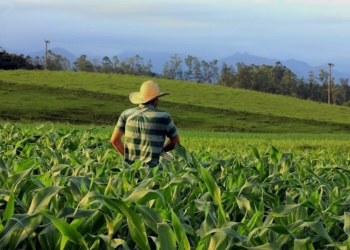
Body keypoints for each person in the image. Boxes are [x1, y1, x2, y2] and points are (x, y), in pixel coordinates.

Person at [110, 80, 180, 168]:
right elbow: (175, 142)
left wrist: (130, 160)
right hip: (153, 174)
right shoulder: (163, 116)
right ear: (156, 100)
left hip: (130, 172)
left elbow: (114, 141)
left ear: (140, 99)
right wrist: (161, 151)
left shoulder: (126, 114)